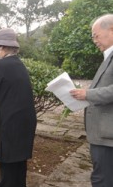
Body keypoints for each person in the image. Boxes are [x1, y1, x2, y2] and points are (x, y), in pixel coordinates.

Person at [0, 28, 37, 187]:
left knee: (8, 167)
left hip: (9, 123)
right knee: (19, 166)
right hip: (24, 123)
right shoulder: (20, 65)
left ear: (1, 47)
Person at [70, 14, 113, 187]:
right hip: (103, 133)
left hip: (107, 135)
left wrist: (87, 94)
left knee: (102, 180)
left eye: (96, 35)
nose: (94, 40)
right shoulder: (108, 57)